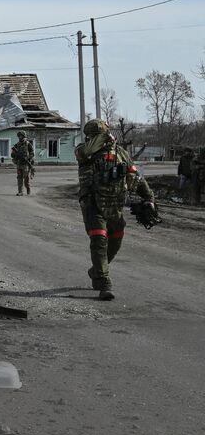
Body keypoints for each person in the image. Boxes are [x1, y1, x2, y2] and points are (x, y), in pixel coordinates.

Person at [75, 119, 155, 301]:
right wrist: (103, 138)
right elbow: (86, 151)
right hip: (92, 204)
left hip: (115, 205)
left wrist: (149, 197)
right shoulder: (84, 152)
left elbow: (135, 176)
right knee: (99, 239)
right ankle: (104, 283)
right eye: (94, 137)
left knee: (115, 241)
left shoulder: (121, 154)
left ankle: (97, 270)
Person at [11, 131, 36, 195]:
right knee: (19, 178)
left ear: (24, 136)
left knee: (26, 178)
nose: (20, 137)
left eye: (21, 136)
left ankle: (28, 188)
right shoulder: (17, 145)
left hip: (26, 164)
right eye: (19, 136)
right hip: (19, 164)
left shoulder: (28, 144)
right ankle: (20, 191)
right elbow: (12, 154)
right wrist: (15, 155)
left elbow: (32, 153)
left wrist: (28, 158)